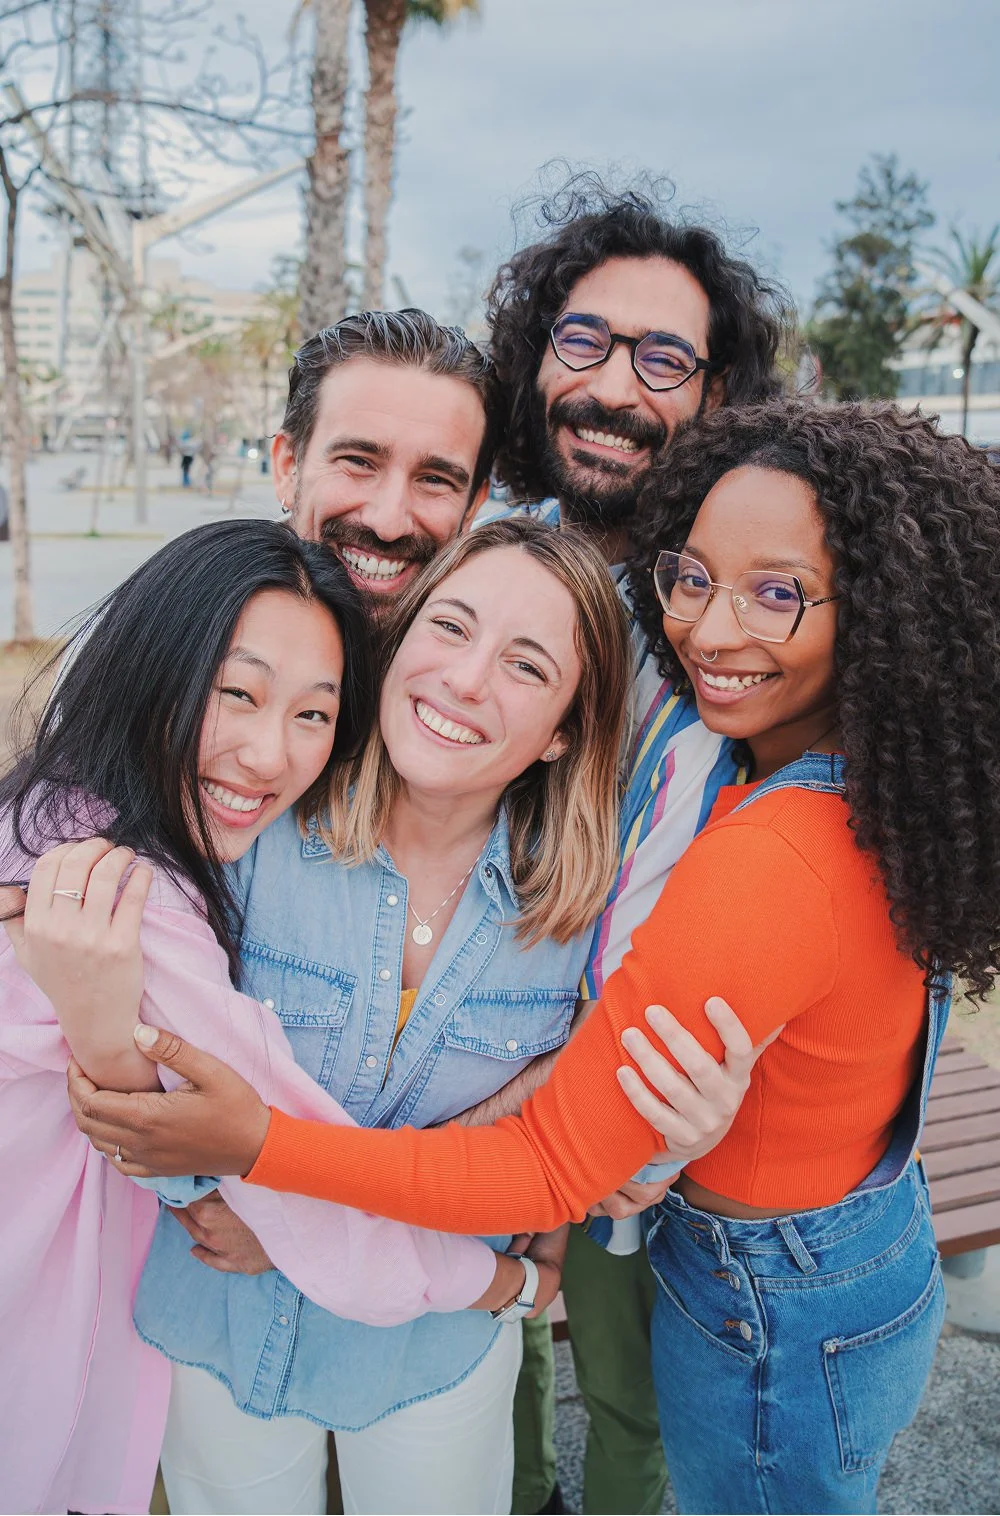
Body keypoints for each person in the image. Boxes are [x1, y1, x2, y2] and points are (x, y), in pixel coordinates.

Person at [79, 402, 1000, 1514]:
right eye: (692, 579)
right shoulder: (255, 826)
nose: (709, 631)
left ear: (568, 726)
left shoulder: (605, 909)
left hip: (507, 1339)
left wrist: (276, 1168)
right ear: (399, 635)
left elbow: (558, 1158)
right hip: (223, 1323)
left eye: (776, 591)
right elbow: (130, 1040)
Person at [0, 519, 545, 1516]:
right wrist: (502, 1286)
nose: (266, 752)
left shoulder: (58, 819)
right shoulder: (128, 893)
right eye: (236, 693)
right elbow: (288, 1177)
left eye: (312, 713)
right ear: (155, 665)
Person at [477, 172, 789, 1515]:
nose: (614, 386)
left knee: (627, 1391)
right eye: (584, 341)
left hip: (656, 1088)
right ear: (535, 359)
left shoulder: (745, 619)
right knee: (480, 1354)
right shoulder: (479, 572)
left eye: (665, 357)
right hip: (466, 1056)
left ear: (717, 399)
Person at [272, 307, 504, 607]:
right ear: (288, 468)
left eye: (435, 480)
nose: (388, 525)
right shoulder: (198, 627)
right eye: (358, 462)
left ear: (472, 506)